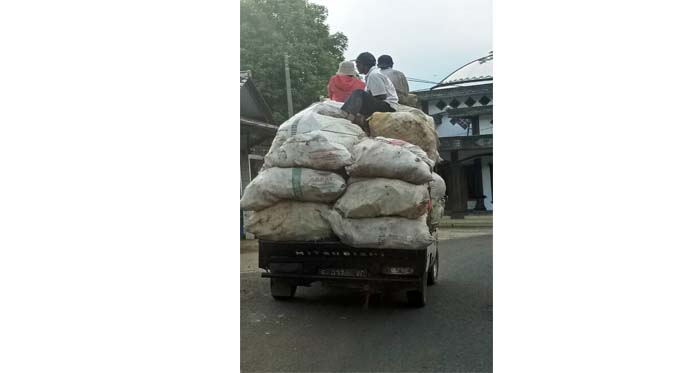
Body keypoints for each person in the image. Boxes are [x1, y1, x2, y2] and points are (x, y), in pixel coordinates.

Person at [340, 52, 398, 126]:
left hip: (388, 106)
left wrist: (364, 101)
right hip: (385, 104)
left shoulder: (374, 75)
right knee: (358, 97)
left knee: (358, 93)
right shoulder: (372, 74)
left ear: (364, 65)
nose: (356, 67)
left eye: (358, 64)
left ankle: (347, 117)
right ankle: (351, 116)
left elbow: (382, 95)